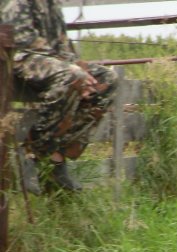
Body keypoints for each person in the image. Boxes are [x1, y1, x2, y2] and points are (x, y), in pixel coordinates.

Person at [2, 0, 117, 193]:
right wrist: (71, 67)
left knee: (107, 79)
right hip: (19, 58)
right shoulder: (18, 2)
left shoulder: (52, 4)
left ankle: (57, 155)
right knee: (73, 76)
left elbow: (62, 44)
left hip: (53, 62)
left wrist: (75, 65)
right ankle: (32, 153)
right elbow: (23, 41)